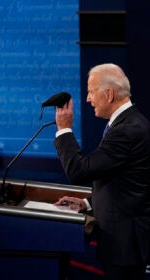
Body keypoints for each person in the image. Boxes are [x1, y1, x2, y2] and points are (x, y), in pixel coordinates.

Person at [53, 63, 150, 280]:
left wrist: (64, 129)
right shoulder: (128, 123)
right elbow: (121, 182)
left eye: (91, 91)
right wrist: (88, 203)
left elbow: (78, 171)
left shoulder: (127, 130)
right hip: (123, 242)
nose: (88, 99)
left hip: (126, 245)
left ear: (109, 94)